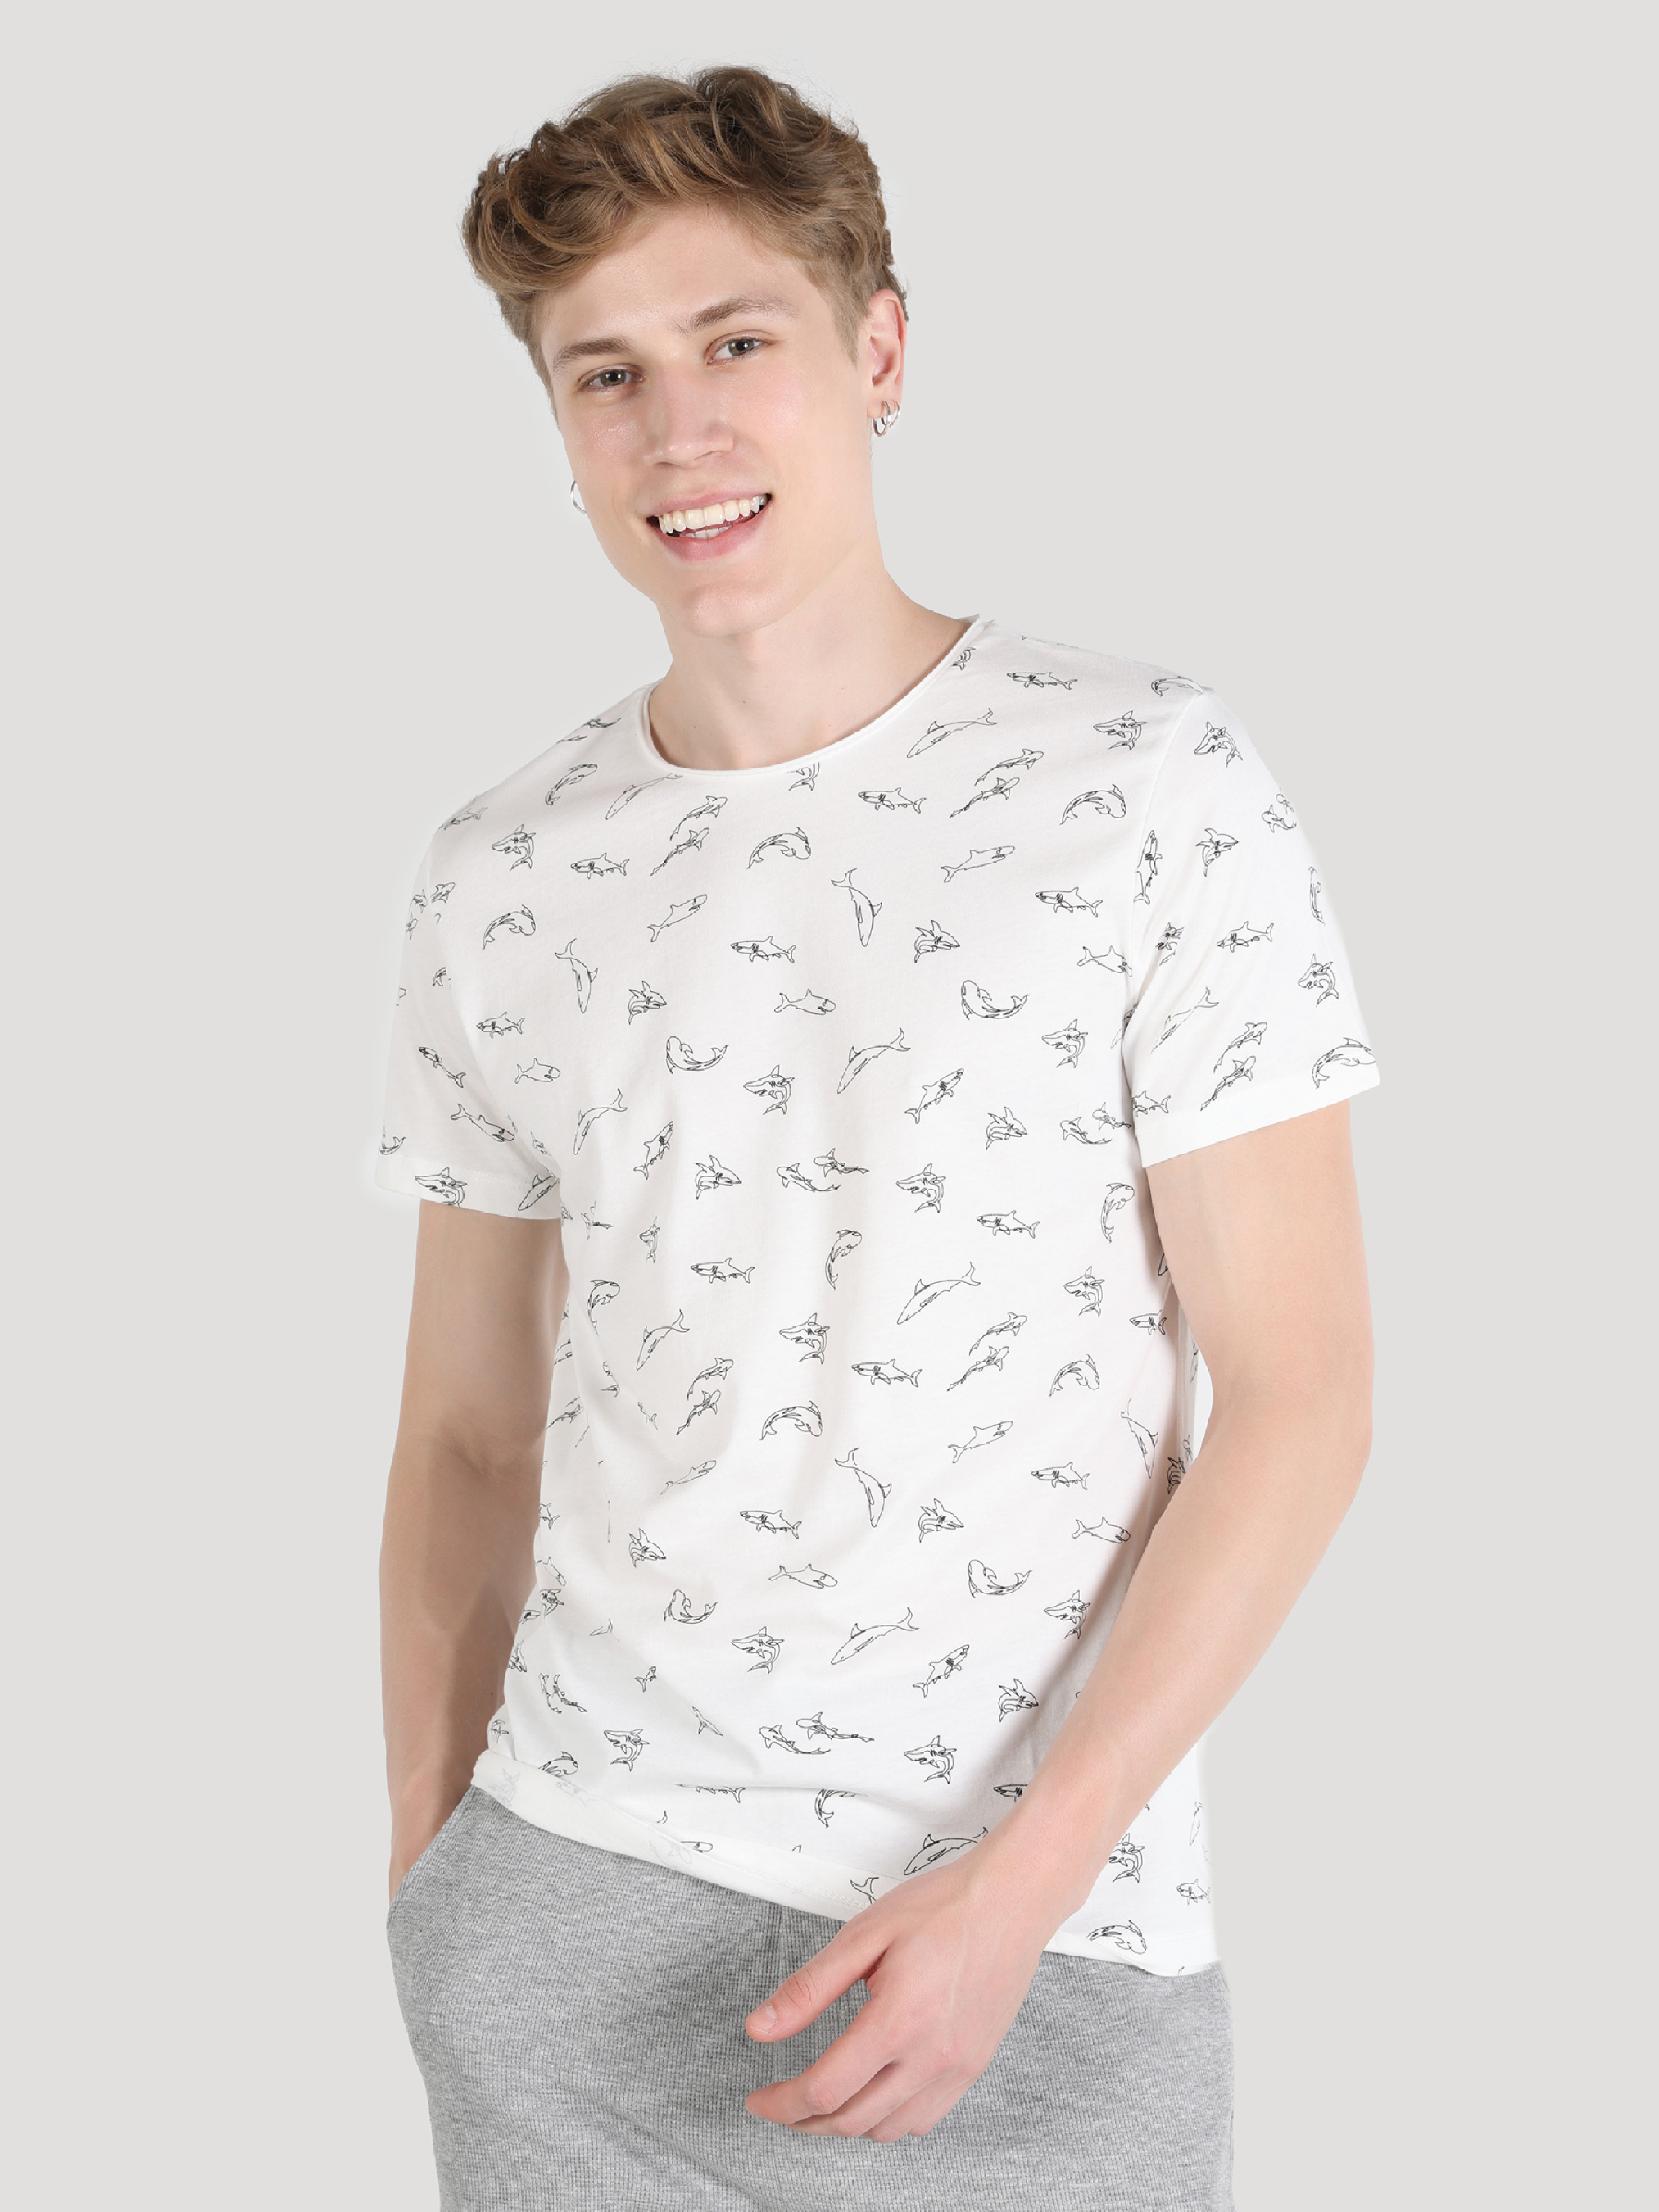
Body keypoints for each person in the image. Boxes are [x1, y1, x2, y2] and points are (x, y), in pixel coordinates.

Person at [374, 64, 1378, 2212]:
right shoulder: (502, 873)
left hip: (1034, 1960)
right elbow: (463, 1429)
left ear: (880, 349)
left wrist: (1026, 1885)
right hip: (567, 1935)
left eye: (735, 340)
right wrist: (430, 1884)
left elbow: (1299, 1392)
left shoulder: (1141, 783)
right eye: (605, 374)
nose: (677, 430)